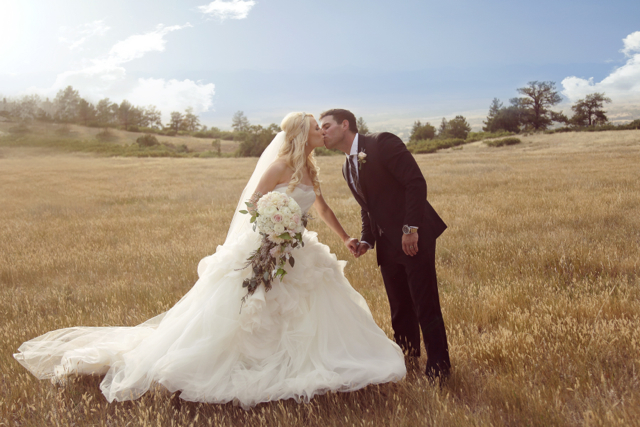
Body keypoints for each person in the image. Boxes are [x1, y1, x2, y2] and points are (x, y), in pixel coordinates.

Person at [13, 112, 405, 409]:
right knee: (256, 307)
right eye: (317, 128)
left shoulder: (311, 168)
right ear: (304, 133)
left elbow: (319, 208)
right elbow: (252, 205)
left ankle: (321, 360)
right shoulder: (279, 166)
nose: (323, 131)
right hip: (271, 244)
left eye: (325, 127)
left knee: (312, 305)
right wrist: (275, 229)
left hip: (299, 248)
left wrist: (344, 237)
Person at [320, 109, 451, 381]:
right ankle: (408, 360)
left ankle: (439, 369)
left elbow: (415, 182)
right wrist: (367, 239)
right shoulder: (347, 166)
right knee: (400, 307)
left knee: (425, 303)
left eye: (327, 126)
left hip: (412, 237)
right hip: (387, 245)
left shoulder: (382, 143)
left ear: (345, 125)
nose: (323, 132)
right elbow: (369, 207)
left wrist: (410, 228)